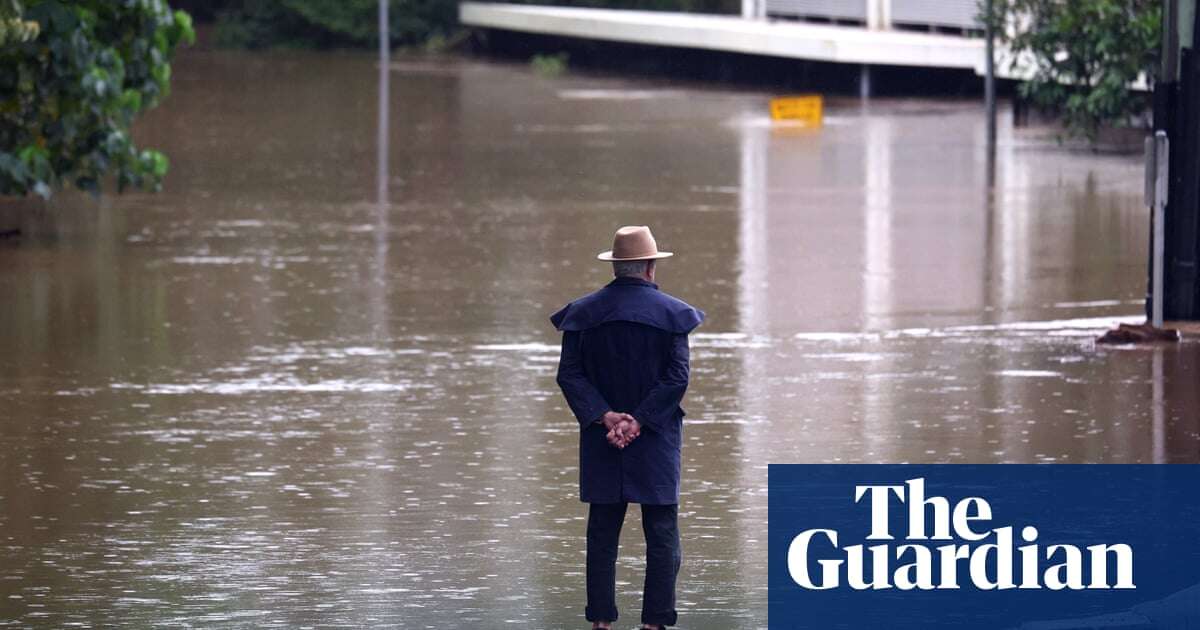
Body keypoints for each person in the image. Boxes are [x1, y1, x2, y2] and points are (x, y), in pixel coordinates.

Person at [550, 225, 705, 630]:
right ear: (651, 268)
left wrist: (607, 416)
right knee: (662, 530)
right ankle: (654, 623)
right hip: (655, 434)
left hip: (601, 435)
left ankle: (601, 621)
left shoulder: (582, 314)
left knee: (602, 531)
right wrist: (639, 419)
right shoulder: (673, 315)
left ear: (617, 267)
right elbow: (676, 378)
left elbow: (570, 376)